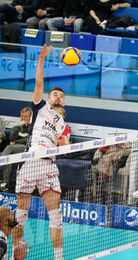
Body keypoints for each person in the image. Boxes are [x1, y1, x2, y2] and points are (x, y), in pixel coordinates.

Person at [12, 44, 70, 260]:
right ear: (49, 97)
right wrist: (42, 58)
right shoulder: (39, 107)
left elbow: (64, 146)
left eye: (61, 96)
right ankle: (14, 252)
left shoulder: (62, 123)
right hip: (30, 161)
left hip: (49, 166)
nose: (57, 97)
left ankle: (58, 257)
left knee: (56, 216)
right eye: (55, 94)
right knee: (21, 215)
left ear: (64, 102)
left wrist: (64, 143)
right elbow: (38, 82)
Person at [0, 107, 32, 192]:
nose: (23, 118)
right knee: (8, 158)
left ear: (30, 117)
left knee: (9, 147)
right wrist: (19, 126)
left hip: (26, 149)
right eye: (22, 116)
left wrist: (17, 141)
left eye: (26, 116)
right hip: (15, 149)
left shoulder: (33, 128)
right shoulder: (18, 127)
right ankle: (5, 184)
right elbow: (11, 138)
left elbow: (28, 141)